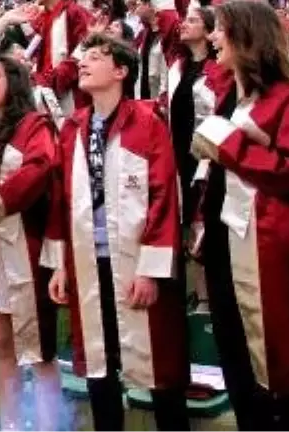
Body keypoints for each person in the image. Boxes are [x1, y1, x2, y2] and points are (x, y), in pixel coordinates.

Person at [191, 0, 289, 428]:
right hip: (226, 242)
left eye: (222, 30)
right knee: (237, 357)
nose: (213, 37)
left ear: (246, 37)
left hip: (273, 247)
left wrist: (230, 146)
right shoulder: (233, 94)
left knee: (283, 364)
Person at [44, 33, 190, 432]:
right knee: (98, 364)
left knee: (160, 366)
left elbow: (164, 195)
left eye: (95, 57)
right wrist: (60, 266)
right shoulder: (73, 127)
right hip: (90, 260)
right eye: (83, 57)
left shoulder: (146, 122)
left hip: (135, 261)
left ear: (121, 71)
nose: (84, 63)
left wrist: (150, 269)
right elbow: (61, 200)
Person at [0, 52, 62, 430]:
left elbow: (40, 170)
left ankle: (52, 426)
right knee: (2, 346)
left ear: (15, 84)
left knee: (37, 350)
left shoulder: (36, 125)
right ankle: (13, 425)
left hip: (22, 245)